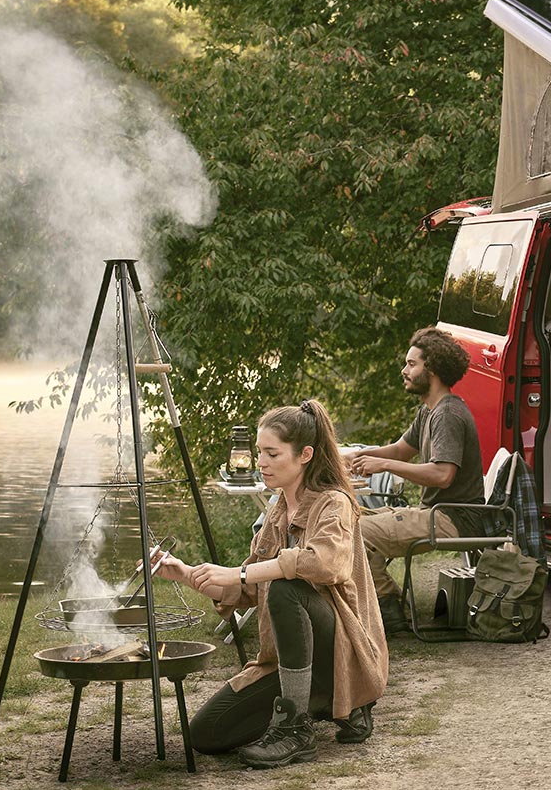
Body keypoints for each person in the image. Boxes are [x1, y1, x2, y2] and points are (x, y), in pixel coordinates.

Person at [151, 400, 388, 769]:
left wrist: (240, 573)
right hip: (287, 658)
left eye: (272, 453)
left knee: (284, 585)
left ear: (305, 454)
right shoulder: (277, 510)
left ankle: (300, 727)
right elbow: (246, 590)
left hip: (341, 649)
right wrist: (185, 573)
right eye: (259, 452)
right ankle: (317, 704)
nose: (260, 461)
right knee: (206, 735)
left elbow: (324, 563)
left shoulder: (334, 503)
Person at [346, 328, 486, 633]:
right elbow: (399, 450)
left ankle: (388, 610)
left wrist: (383, 464)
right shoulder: (429, 411)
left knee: (355, 532)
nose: (404, 371)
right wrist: (348, 456)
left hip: (453, 518)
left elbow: (442, 474)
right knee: (346, 520)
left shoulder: (447, 414)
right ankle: (383, 606)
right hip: (437, 513)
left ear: (432, 370)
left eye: (412, 364)